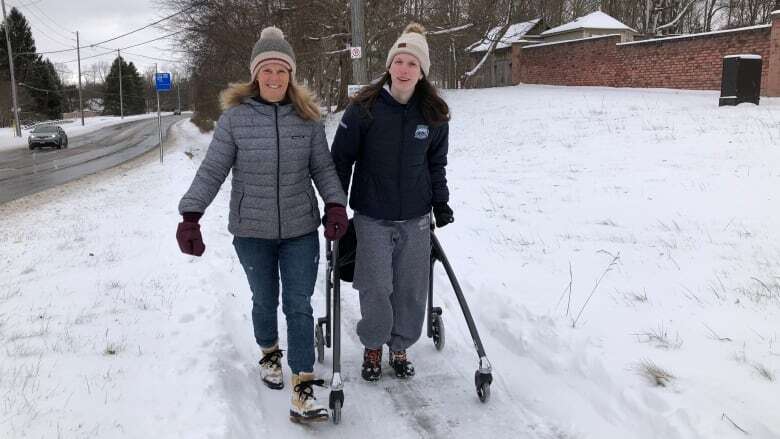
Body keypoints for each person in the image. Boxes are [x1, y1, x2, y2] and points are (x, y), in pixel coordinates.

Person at [175, 26, 348, 423]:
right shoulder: (234, 120)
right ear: (256, 75)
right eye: (267, 71)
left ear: (291, 76)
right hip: (251, 231)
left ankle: (302, 385)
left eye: (281, 71)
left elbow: (323, 168)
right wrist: (191, 215)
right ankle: (270, 353)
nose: (274, 78)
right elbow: (213, 170)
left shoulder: (307, 119)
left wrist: (335, 205)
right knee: (264, 299)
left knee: (299, 304)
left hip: (301, 230)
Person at [331, 23, 454, 382]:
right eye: (398, 61)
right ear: (389, 65)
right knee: (375, 285)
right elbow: (340, 159)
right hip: (372, 216)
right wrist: (336, 206)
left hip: (416, 217)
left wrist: (441, 203)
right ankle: (373, 343)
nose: (403, 69)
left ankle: (399, 344)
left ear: (422, 71)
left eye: (411, 64)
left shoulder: (434, 113)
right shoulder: (364, 108)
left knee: (412, 287)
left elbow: (436, 164)